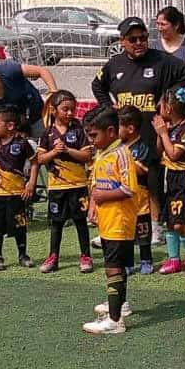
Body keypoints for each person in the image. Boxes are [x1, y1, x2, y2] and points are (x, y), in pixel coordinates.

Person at [93, 15, 185, 237]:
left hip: (152, 131)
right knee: (123, 178)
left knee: (152, 179)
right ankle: (121, 224)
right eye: (133, 39)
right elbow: (97, 85)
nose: (139, 43)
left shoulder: (161, 60)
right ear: (122, 41)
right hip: (124, 134)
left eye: (143, 38)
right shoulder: (115, 64)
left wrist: (170, 98)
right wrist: (109, 107)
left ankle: (156, 226)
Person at [83, 106, 138, 335]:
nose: (91, 140)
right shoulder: (103, 153)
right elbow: (96, 184)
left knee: (112, 268)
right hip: (108, 221)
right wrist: (94, 206)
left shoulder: (121, 154)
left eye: (94, 135)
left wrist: (101, 197)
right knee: (116, 265)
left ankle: (114, 321)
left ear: (111, 132)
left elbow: (129, 188)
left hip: (120, 221)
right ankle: (120, 305)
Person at [35, 90, 93, 274]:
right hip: (57, 187)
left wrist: (68, 150)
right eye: (65, 109)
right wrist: (54, 152)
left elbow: (87, 155)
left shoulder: (78, 131)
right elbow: (40, 159)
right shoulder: (47, 134)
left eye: (72, 109)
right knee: (57, 223)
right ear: (53, 110)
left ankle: (86, 256)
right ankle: (53, 257)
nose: (69, 113)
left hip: (78, 185)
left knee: (80, 222)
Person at [0, 103, 38, 270]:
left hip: (17, 193)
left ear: (10, 126)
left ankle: (23, 255)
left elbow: (34, 163)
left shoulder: (22, 143)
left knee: (20, 225)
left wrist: (31, 183)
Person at [153, 87, 185, 274]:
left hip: (182, 179)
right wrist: (160, 133)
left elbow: (173, 154)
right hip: (168, 177)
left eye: (161, 105)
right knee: (169, 222)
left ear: (169, 107)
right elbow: (159, 152)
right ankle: (174, 259)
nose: (159, 108)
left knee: (180, 223)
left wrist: (164, 133)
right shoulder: (170, 127)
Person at [0, 58, 55, 137]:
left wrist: (54, 93)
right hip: (14, 129)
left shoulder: (8, 70)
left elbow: (42, 71)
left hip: (38, 115)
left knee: (49, 142)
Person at [118, 106, 157, 272]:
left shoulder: (142, 146)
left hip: (140, 197)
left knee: (143, 232)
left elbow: (141, 170)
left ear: (130, 128)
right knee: (125, 233)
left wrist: (125, 159)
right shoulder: (117, 146)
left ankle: (146, 259)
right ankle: (127, 262)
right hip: (122, 196)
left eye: (118, 126)